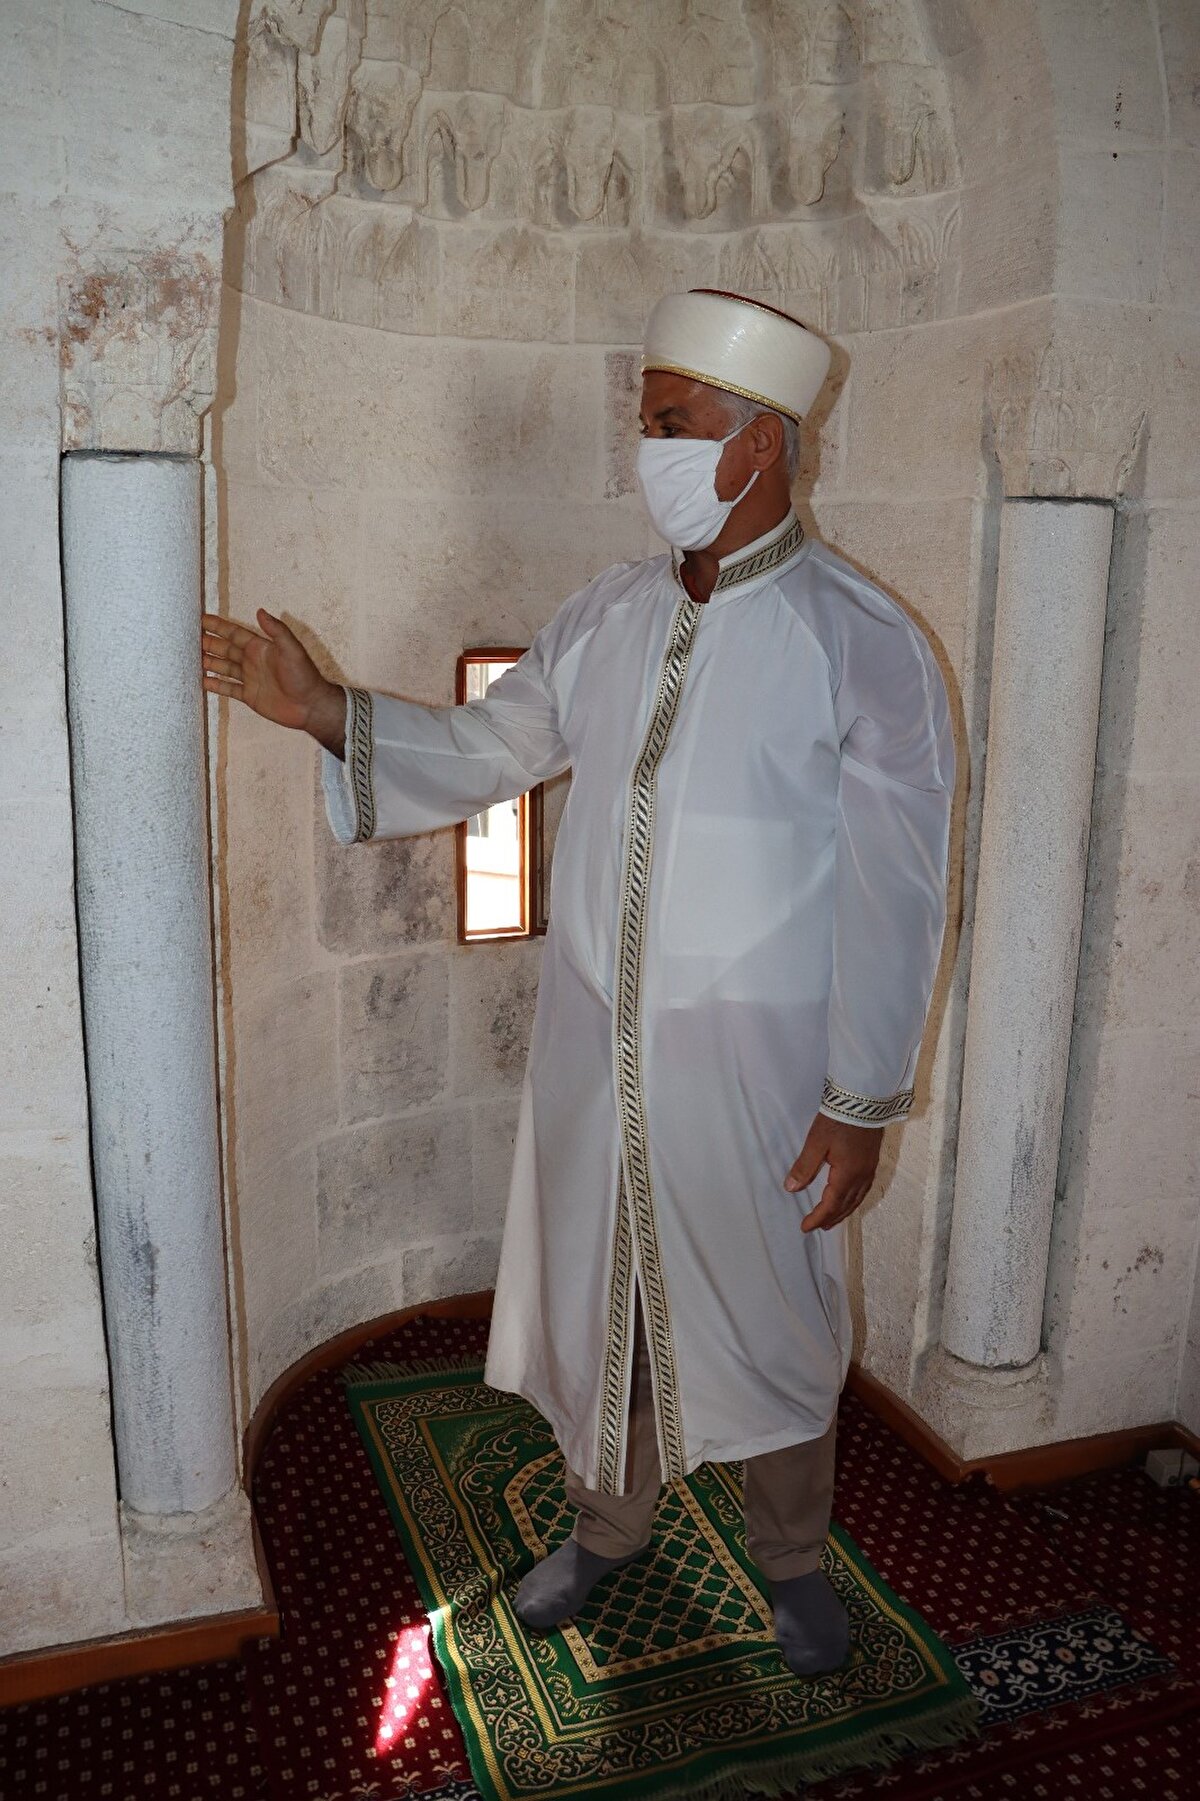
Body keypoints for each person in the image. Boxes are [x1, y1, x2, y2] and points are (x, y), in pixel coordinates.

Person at [203, 289, 955, 1678]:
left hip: (764, 1072)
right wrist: (321, 710)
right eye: (647, 422)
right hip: (593, 1050)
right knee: (601, 1294)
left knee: (775, 1313)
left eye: (674, 425)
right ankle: (608, 1523)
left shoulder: (864, 641)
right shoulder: (608, 614)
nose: (649, 448)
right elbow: (493, 746)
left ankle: (792, 1556)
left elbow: (899, 887)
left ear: (761, 448)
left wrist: (860, 1099)